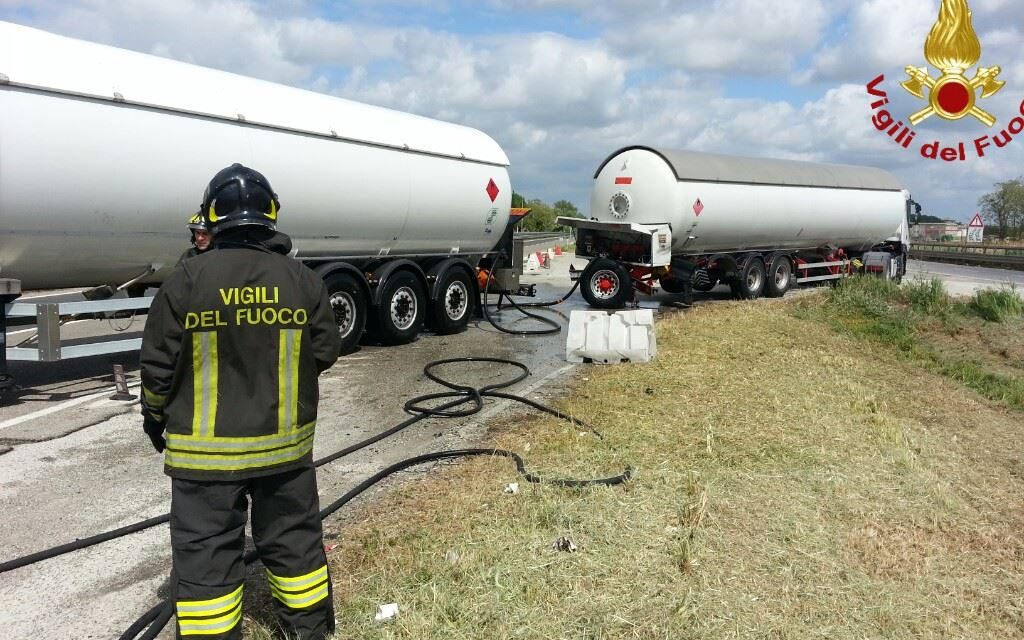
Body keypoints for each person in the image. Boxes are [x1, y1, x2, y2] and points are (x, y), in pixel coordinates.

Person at [139, 164, 342, 639]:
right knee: (296, 548)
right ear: (271, 214)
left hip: (204, 462)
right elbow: (326, 352)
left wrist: (153, 415)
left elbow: (157, 369)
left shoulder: (185, 281)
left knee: (206, 560)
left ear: (212, 218)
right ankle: (310, 632)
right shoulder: (302, 280)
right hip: (285, 454)